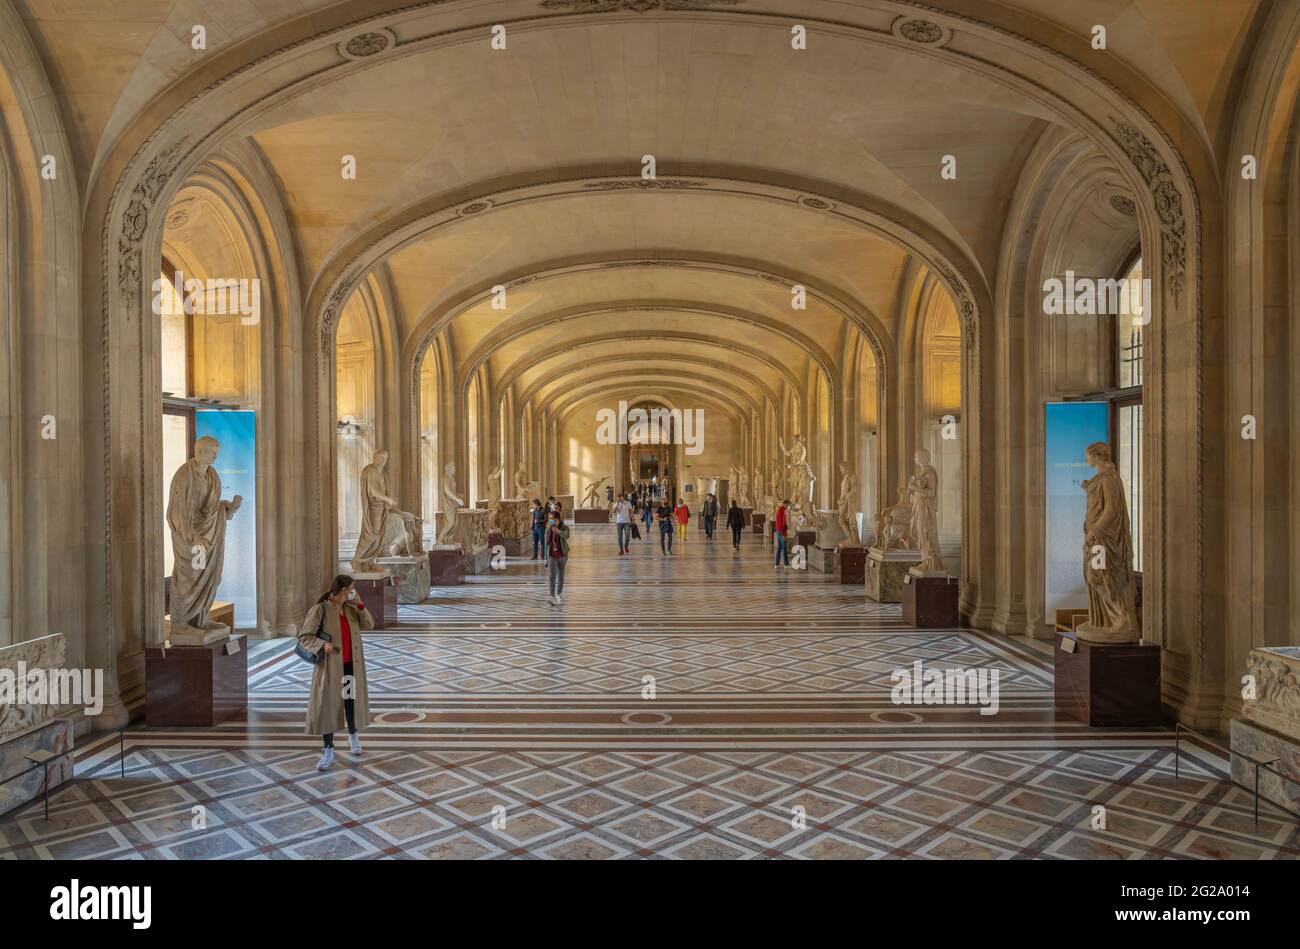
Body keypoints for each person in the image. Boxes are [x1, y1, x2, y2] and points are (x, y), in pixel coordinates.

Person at [298, 574, 375, 771]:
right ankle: (328, 749)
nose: (353, 593)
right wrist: (324, 645)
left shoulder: (350, 611)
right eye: (351, 589)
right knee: (328, 707)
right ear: (343, 590)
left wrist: (360, 605)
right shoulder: (320, 610)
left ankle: (353, 735)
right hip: (331, 669)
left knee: (350, 702)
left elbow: (369, 624)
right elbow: (305, 637)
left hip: (350, 667)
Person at [546, 506, 571, 605]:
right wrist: (548, 530)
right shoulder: (549, 528)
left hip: (562, 555)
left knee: (561, 575)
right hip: (552, 555)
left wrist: (558, 531)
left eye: (554, 519)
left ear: (558, 519)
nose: (552, 521)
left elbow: (567, 536)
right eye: (550, 519)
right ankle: (551, 596)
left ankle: (559, 594)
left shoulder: (565, 527)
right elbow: (546, 541)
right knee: (552, 576)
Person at [773, 498, 791, 568]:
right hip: (781, 531)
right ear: (785, 504)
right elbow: (782, 523)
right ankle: (786, 564)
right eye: (788, 505)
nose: (788, 507)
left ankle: (777, 564)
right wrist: (783, 534)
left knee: (780, 547)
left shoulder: (779, 510)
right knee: (784, 548)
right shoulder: (782, 511)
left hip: (778, 530)